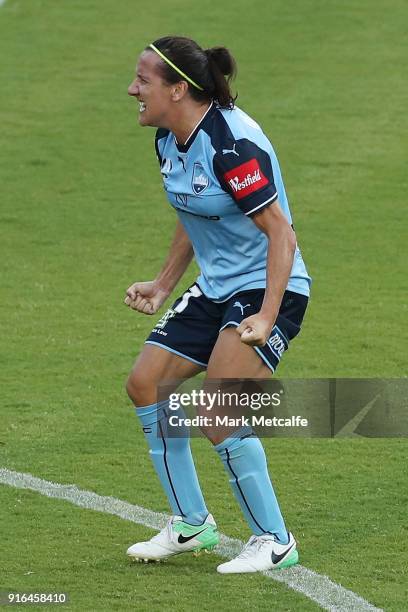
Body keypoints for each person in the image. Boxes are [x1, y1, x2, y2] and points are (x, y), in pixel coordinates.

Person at [124, 36, 311, 574]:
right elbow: (193, 211)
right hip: (217, 286)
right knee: (145, 384)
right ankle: (191, 523)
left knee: (216, 410)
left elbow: (281, 235)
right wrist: (163, 284)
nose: (132, 89)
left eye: (144, 81)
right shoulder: (168, 138)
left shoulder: (232, 146)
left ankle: (275, 539)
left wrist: (267, 316)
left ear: (178, 89)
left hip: (270, 286)